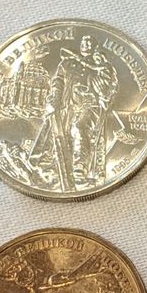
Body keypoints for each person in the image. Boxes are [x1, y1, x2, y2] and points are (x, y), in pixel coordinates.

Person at [36, 36, 118, 189]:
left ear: (95, 46)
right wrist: (56, 97)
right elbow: (58, 81)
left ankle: (79, 169)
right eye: (84, 41)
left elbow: (110, 87)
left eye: (90, 42)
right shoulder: (67, 62)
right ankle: (54, 164)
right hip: (68, 103)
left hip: (90, 104)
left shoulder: (101, 65)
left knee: (80, 127)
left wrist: (104, 92)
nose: (87, 44)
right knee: (63, 132)